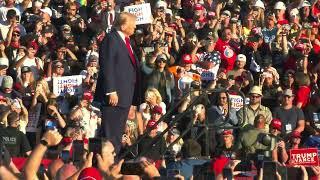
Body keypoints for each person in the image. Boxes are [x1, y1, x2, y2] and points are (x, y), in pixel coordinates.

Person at [94, 12, 140, 153]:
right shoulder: (111, 39)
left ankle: (113, 161)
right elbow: (107, 66)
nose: (135, 27)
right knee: (110, 135)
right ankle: (106, 165)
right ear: (124, 25)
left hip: (125, 96)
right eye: (133, 25)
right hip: (114, 97)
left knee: (117, 135)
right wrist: (111, 90)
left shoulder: (127, 41)